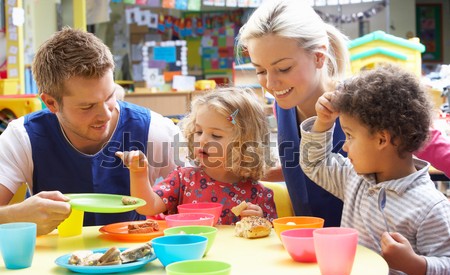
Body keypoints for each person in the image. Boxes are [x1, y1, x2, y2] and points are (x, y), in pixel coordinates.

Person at [0, 27, 180, 235]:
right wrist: (15, 217)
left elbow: (203, 195)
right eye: (87, 107)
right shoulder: (22, 137)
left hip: (136, 256)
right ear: (51, 103)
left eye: (110, 97)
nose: (105, 114)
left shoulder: (154, 129)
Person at [299, 64, 450, 275]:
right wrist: (323, 123)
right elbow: (314, 164)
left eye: (349, 135)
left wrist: (413, 264)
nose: (345, 145)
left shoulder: (430, 206)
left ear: (382, 139)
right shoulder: (355, 178)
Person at [236, 0, 349, 227]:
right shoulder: (283, 104)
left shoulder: (357, 107)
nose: (270, 83)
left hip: (360, 250)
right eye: (259, 70)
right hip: (305, 245)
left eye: (284, 68)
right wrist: (248, 170)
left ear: (319, 57)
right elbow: (301, 169)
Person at [117, 87, 277, 224]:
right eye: (199, 131)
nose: (202, 140)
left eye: (216, 135)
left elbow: (269, 240)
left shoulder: (259, 195)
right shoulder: (182, 180)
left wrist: (259, 219)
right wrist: (139, 174)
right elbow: (147, 206)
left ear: (246, 145)